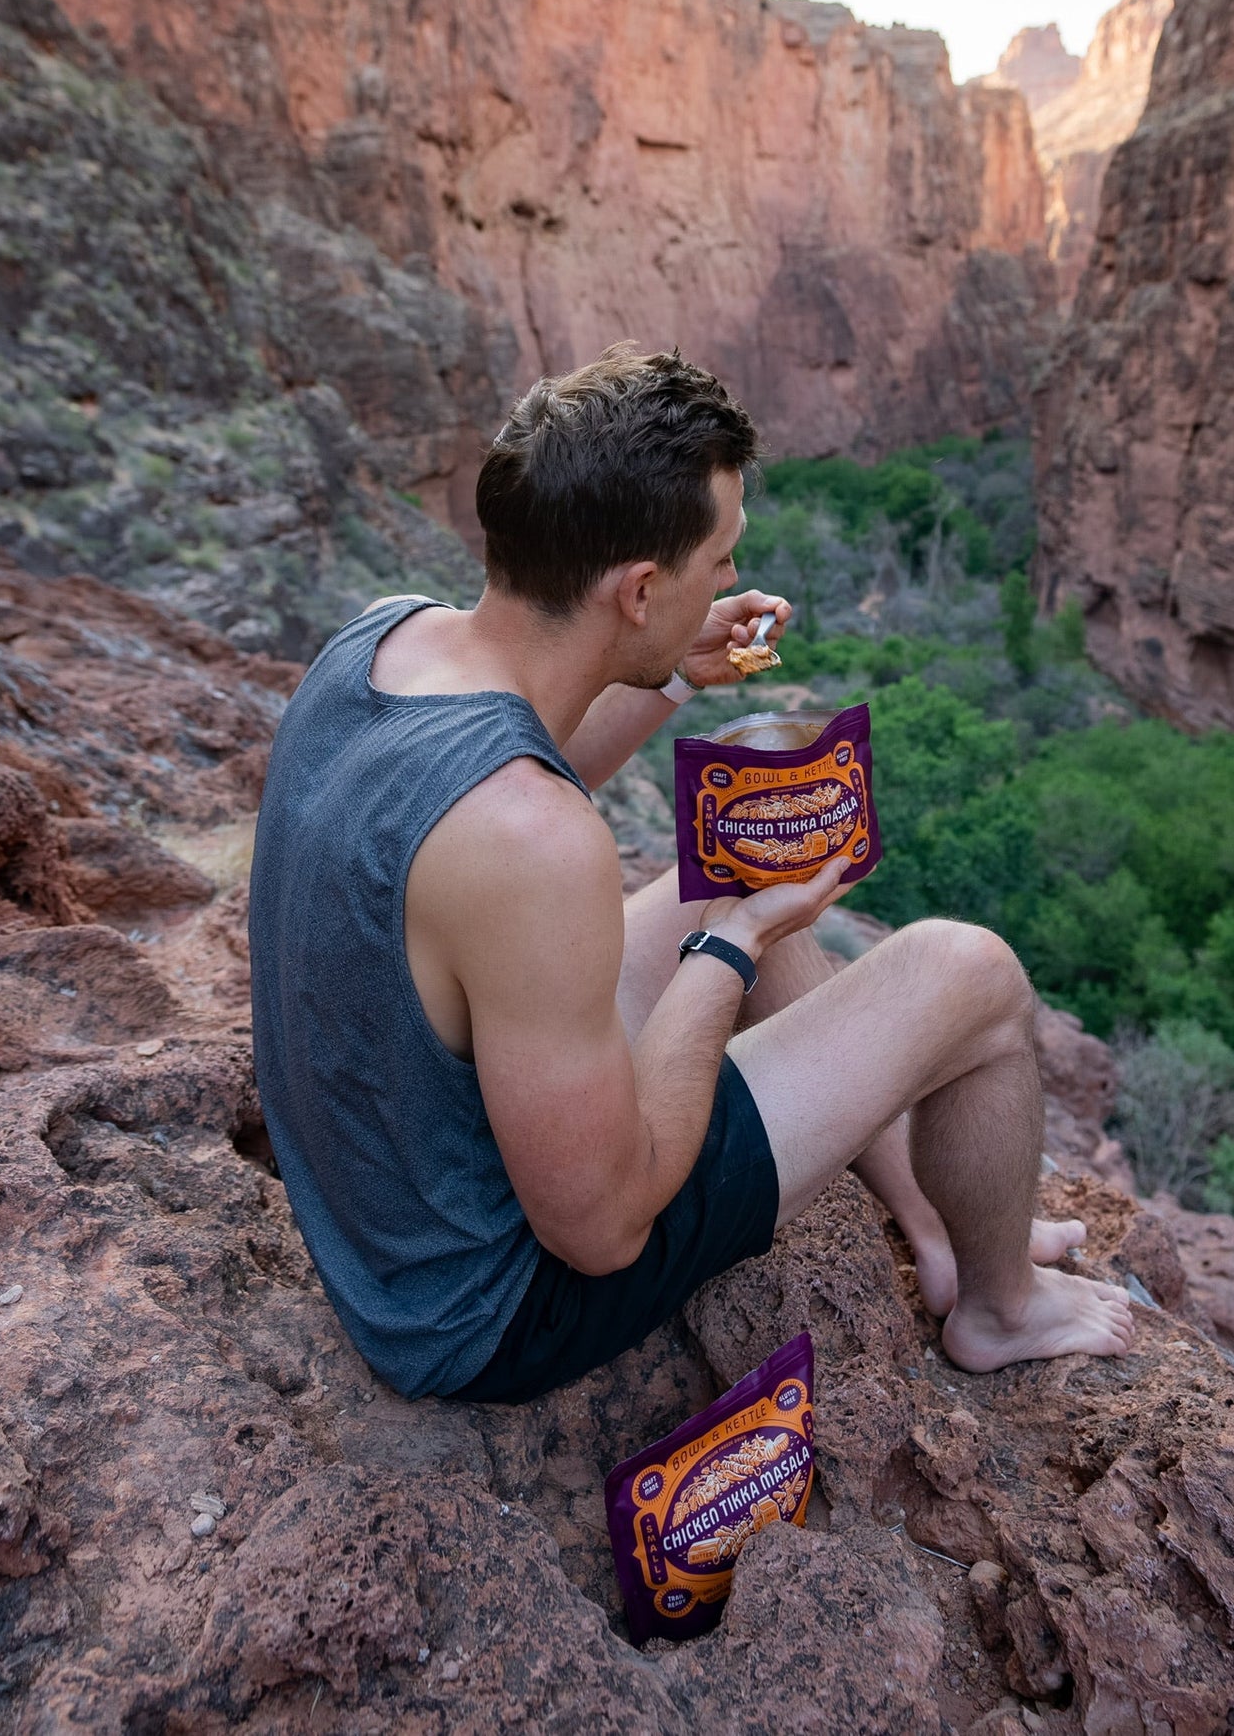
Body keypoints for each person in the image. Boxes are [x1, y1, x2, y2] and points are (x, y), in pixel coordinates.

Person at [249, 346, 1133, 1405]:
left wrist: (670, 667)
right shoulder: (532, 844)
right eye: (716, 560)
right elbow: (603, 1228)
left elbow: (513, 775)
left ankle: (937, 1223)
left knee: (727, 867)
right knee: (969, 970)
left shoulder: (382, 639)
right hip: (486, 1304)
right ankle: (998, 1307)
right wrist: (735, 941)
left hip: (402, 1188)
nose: (727, 581)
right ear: (636, 587)